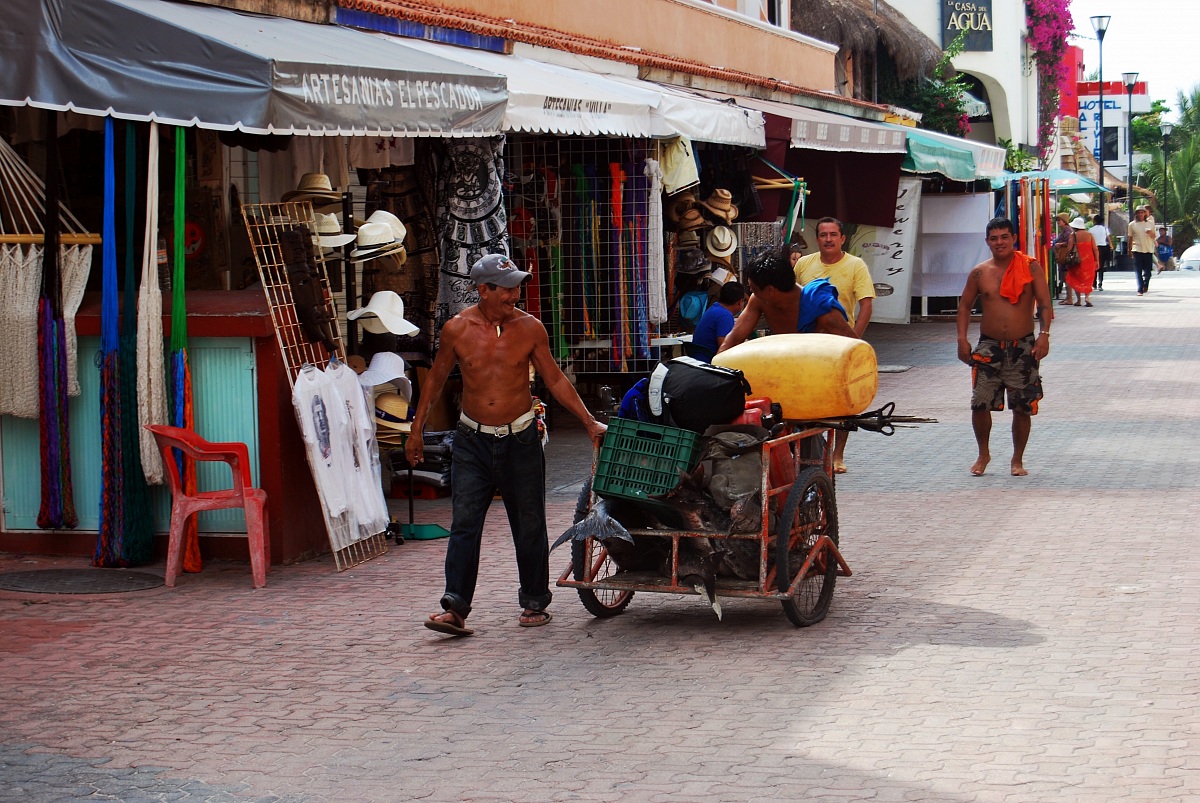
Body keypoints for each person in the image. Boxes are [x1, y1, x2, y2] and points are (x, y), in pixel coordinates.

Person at [407, 254, 607, 637]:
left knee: (529, 524)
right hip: (471, 441)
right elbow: (434, 380)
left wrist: (587, 420)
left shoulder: (530, 328)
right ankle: (455, 607)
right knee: (465, 524)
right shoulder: (456, 329)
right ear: (483, 290)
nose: (515, 294)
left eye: (517, 286)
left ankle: (534, 601)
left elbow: (555, 379)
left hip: (522, 438)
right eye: (507, 288)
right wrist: (416, 430)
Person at [956, 217, 1053, 477]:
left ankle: (1017, 459)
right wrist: (961, 339)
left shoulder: (1030, 268)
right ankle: (983, 453)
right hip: (988, 346)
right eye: (994, 238)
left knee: (1022, 406)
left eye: (1004, 237)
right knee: (979, 403)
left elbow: (1044, 303)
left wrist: (1044, 335)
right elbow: (964, 305)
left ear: (1013, 239)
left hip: (1023, 346)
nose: (999, 242)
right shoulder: (979, 272)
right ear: (987, 241)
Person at [793, 217, 876, 473]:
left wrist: (855, 340)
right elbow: (791, 299)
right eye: (823, 235)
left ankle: (837, 455)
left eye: (833, 234)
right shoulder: (804, 264)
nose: (828, 239)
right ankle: (812, 454)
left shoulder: (856, 266)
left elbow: (866, 305)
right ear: (817, 239)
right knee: (809, 400)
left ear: (843, 238)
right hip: (808, 346)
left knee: (842, 401)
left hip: (841, 345)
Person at [718, 245, 857, 356]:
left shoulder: (821, 308)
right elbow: (733, 340)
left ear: (770, 290)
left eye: (753, 288)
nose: (750, 292)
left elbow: (856, 350)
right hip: (785, 372)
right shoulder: (759, 300)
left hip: (821, 376)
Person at [690, 281, 746, 362]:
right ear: (740, 302)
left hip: (699, 359)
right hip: (708, 363)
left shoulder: (714, 308)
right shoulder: (725, 315)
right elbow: (726, 349)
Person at [1063, 217, 1099, 307]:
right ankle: (1087, 298)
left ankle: (1079, 300)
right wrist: (1097, 260)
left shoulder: (1073, 235)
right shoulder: (1089, 235)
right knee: (1087, 279)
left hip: (1077, 261)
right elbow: (1095, 248)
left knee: (1076, 278)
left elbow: (1069, 248)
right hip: (1089, 260)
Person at [1128, 206, 1156, 295]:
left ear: (1145, 213)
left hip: (1148, 250)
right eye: (1138, 212)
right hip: (1137, 249)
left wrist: (1150, 233)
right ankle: (1140, 289)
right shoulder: (1132, 225)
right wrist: (1129, 250)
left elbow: (1154, 236)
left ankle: (1145, 284)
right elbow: (1130, 238)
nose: (1140, 214)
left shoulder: (1150, 224)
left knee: (1148, 272)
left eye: (1142, 212)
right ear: (1136, 214)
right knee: (1138, 270)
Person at [1051, 212, 1075, 305]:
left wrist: (1060, 244)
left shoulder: (1068, 231)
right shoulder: (1065, 230)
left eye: (1059, 220)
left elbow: (1069, 242)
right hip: (1062, 257)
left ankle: (1069, 298)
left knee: (1066, 277)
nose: (1057, 222)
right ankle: (1068, 298)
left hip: (1064, 257)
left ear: (1064, 221)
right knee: (1065, 278)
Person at [1091, 214, 1111, 291]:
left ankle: (1094, 283)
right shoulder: (1105, 229)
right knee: (1101, 266)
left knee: (1094, 266)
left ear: (1095, 221)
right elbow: (1108, 238)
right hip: (1103, 248)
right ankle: (1100, 283)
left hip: (1094, 248)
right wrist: (1111, 246)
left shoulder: (1091, 230)